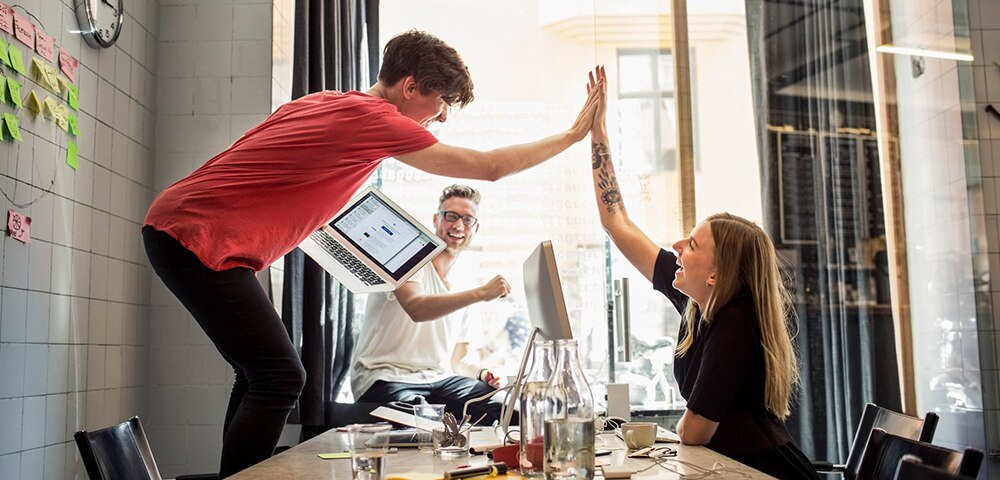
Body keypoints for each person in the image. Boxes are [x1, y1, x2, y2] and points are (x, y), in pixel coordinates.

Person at [142, 30, 602, 477]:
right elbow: (490, 167)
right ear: (410, 88)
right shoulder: (374, 120)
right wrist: (572, 135)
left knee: (259, 374)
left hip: (187, 230)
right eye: (439, 105)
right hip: (192, 234)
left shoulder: (329, 102)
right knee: (281, 376)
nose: (440, 119)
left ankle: (237, 475)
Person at [585, 67, 818, 479]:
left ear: (717, 274)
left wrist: (667, 437)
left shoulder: (734, 320)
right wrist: (597, 132)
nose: (676, 247)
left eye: (691, 244)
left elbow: (695, 430)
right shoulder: (699, 306)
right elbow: (617, 223)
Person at [351, 185, 508, 424]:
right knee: (422, 422)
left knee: (504, 411)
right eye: (451, 216)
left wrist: (483, 373)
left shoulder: (464, 283)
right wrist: (481, 293)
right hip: (385, 378)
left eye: (467, 220)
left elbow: (458, 361)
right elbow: (417, 308)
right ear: (437, 219)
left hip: (438, 379)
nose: (457, 226)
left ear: (475, 228)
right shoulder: (406, 259)